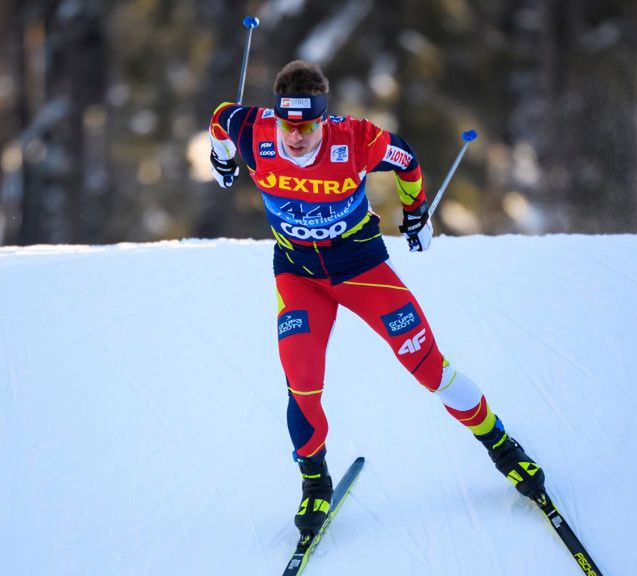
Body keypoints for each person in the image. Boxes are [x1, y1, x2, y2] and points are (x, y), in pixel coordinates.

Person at [208, 60, 545, 536]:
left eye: (306, 126)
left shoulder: (355, 140)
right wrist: (220, 156)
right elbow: (221, 116)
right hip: (300, 277)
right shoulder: (253, 130)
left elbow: (405, 158)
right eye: (288, 124)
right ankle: (314, 485)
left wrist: (416, 212)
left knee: (429, 367)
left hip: (362, 270)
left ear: (324, 119)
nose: (295, 136)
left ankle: (504, 448)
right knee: (302, 383)